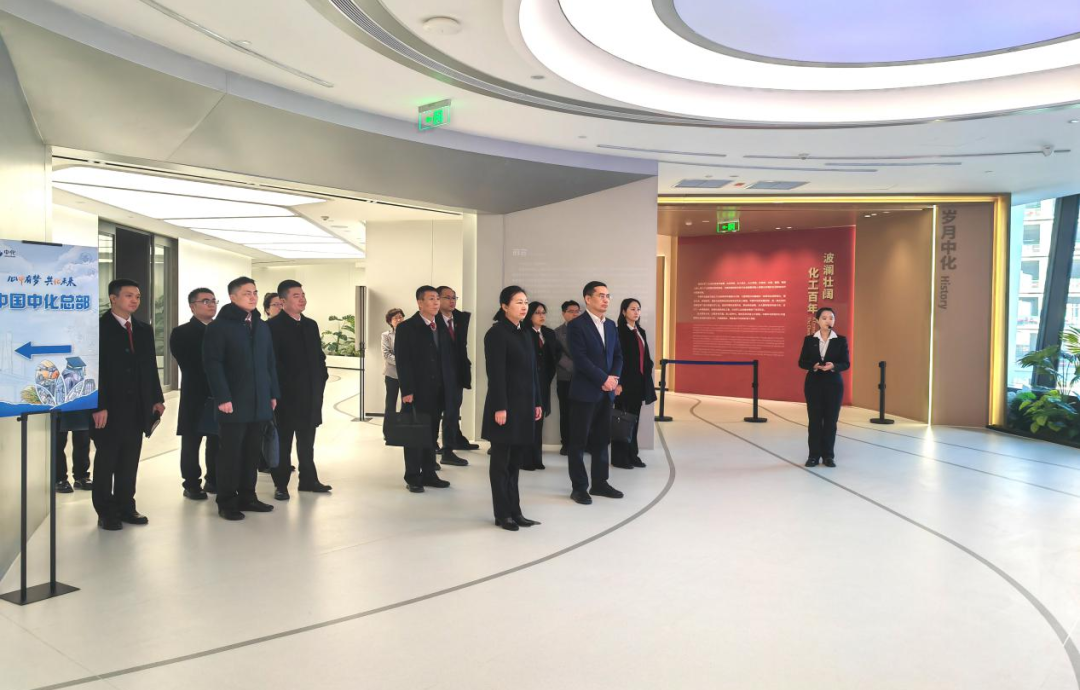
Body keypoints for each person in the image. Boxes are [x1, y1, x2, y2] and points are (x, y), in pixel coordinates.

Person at [203, 277, 280, 520]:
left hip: (260, 400)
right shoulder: (219, 327)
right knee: (230, 454)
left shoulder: (261, 325)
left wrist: (272, 393)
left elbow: (270, 362)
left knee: (252, 452)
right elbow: (213, 364)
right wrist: (222, 397)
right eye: (247, 293)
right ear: (232, 296)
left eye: (255, 292)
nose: (253, 297)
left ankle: (248, 496)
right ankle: (227, 501)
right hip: (232, 401)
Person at [91, 279, 165, 530]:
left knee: (130, 460)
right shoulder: (98, 328)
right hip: (108, 407)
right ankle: (105, 511)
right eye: (129, 295)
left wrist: (156, 398)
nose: (135, 300)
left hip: (137, 406)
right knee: (107, 460)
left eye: (138, 296)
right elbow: (93, 370)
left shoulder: (143, 329)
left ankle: (126, 506)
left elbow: (150, 367)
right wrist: (98, 405)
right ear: (113, 298)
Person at [482, 286, 542, 531]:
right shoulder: (496, 334)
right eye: (518, 302)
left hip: (524, 407)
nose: (524, 306)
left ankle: (516, 512)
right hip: (504, 408)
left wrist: (537, 401)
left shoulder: (525, 332)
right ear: (504, 306)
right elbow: (495, 374)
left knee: (515, 464)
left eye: (525, 302)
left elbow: (533, 372)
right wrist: (500, 407)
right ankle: (502, 514)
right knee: (501, 464)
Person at [268, 279, 331, 500]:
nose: (302, 299)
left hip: (311, 393)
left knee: (307, 440)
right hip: (285, 396)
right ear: (283, 301)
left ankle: (308, 480)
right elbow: (271, 363)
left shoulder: (310, 324)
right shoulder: (273, 327)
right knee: (283, 441)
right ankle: (281, 484)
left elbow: (318, 356)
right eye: (296, 296)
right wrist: (275, 391)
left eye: (303, 295)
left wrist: (322, 377)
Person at [565, 281, 623, 504]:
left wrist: (613, 379)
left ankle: (600, 483)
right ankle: (579, 487)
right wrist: (603, 379)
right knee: (578, 442)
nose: (606, 299)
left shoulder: (611, 325)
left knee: (601, 440)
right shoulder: (576, 325)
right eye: (601, 295)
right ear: (588, 299)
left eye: (608, 295)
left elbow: (618, 355)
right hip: (585, 392)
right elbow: (580, 359)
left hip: (606, 393)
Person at [394, 286, 452, 493]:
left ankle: (429, 473)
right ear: (420, 303)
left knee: (430, 434)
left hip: (437, 391)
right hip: (416, 391)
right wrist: (407, 390)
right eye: (431, 299)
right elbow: (403, 361)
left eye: (437, 298)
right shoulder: (407, 327)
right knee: (414, 435)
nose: (436, 302)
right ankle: (413, 476)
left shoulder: (440, 326)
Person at [169, 287, 220, 500]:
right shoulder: (181, 333)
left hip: (220, 393)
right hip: (195, 393)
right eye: (205, 301)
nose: (211, 304)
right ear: (192, 306)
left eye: (213, 300)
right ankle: (191, 484)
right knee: (192, 440)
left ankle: (214, 479)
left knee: (217, 439)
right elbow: (189, 363)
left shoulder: (222, 329)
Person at [798, 307, 850, 468]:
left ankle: (828, 456)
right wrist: (813, 365)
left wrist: (834, 366)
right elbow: (802, 362)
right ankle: (813, 456)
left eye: (831, 318)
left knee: (830, 421)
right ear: (817, 321)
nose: (828, 320)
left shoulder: (841, 340)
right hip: (813, 384)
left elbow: (846, 363)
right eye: (825, 318)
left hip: (834, 384)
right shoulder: (809, 340)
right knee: (814, 421)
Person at [611, 298, 657, 470]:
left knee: (634, 421)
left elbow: (645, 356)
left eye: (638, 309)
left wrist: (648, 367)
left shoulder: (640, 331)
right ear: (624, 312)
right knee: (621, 421)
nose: (636, 312)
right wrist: (618, 383)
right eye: (632, 309)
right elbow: (616, 359)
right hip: (624, 384)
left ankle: (632, 455)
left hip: (638, 383)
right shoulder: (618, 332)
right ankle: (619, 458)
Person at [436, 285, 477, 465]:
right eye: (447, 297)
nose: (452, 301)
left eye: (454, 297)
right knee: (441, 412)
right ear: (438, 299)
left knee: (453, 410)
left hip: (456, 372)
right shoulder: (432, 320)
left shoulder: (459, 319)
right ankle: (443, 450)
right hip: (438, 375)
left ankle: (453, 442)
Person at [523, 301, 561, 471]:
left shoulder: (548, 333)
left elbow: (556, 354)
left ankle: (536, 458)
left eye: (543, 312)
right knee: (527, 421)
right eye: (537, 312)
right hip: (527, 382)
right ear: (529, 315)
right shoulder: (524, 332)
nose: (541, 315)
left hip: (543, 381)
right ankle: (525, 459)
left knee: (539, 421)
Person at [553, 300, 581, 455]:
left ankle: (583, 443)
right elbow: (557, 355)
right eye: (571, 311)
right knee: (566, 412)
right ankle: (566, 443)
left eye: (577, 311)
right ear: (563, 313)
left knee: (583, 413)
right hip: (566, 378)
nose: (575, 314)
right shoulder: (557, 333)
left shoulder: (587, 330)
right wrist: (576, 367)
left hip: (585, 379)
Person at [382, 307, 405, 441]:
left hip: (407, 375)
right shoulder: (386, 335)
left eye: (401, 317)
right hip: (392, 374)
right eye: (395, 318)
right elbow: (386, 355)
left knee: (406, 404)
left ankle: (402, 430)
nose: (399, 319)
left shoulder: (409, 334)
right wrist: (403, 362)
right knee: (390, 403)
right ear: (390, 321)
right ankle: (388, 432)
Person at [55, 414, 92, 494]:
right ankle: (59, 479)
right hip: (60, 409)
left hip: (80, 409)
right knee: (58, 442)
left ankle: (81, 477)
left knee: (83, 440)